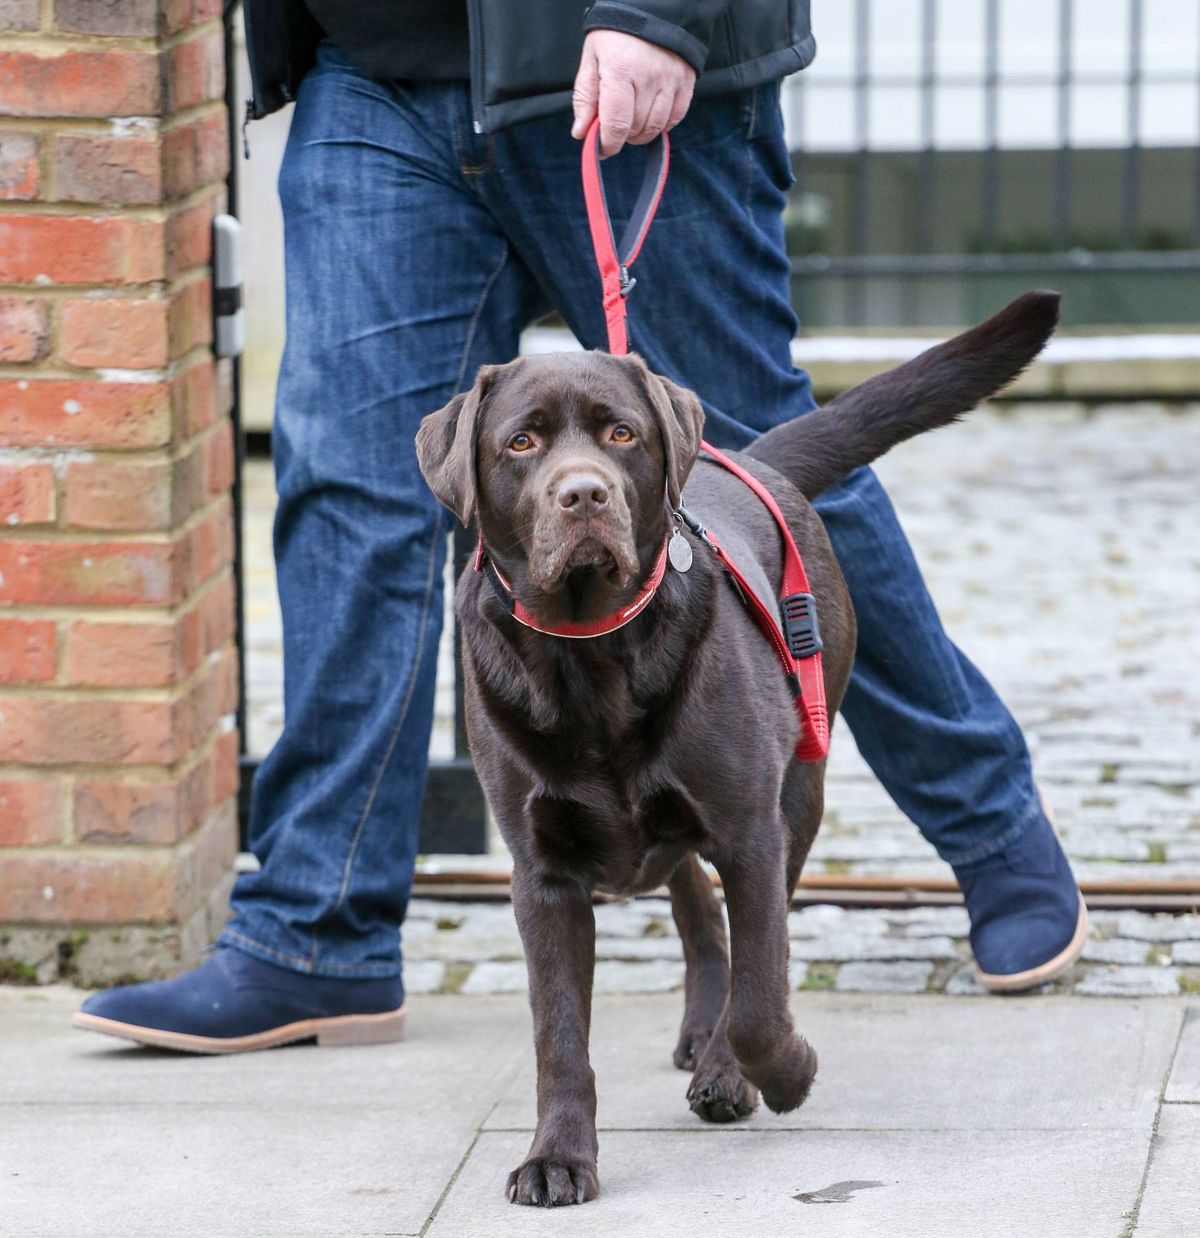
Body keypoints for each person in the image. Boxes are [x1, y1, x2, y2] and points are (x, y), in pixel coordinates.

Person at [75, 1, 1085, 1052]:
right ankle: (314, 931)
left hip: (615, 64)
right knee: (352, 489)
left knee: (766, 473)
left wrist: (660, 13)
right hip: (372, 68)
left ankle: (994, 831)